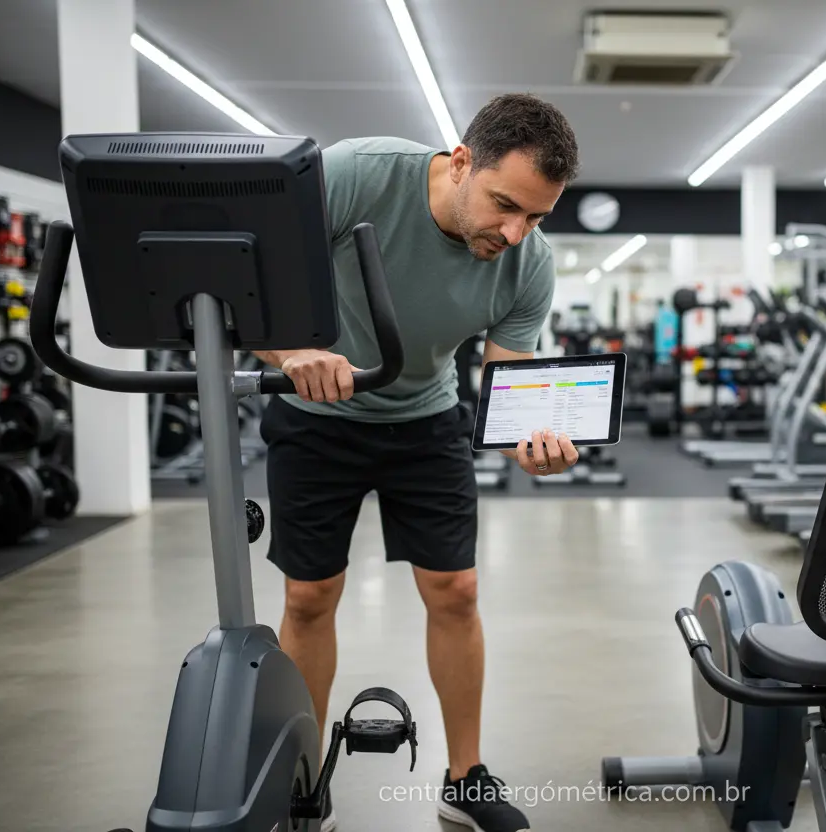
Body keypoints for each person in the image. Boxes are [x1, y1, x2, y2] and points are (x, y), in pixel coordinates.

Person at [253, 93, 581, 832]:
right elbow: (256, 286)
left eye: (535, 217)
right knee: (310, 598)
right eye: (504, 205)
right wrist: (291, 350)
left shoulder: (529, 262)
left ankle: (465, 779)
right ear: (462, 161)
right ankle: (305, 782)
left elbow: (507, 386)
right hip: (315, 415)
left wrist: (532, 444)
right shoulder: (355, 175)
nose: (515, 231)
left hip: (426, 416)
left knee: (456, 592)